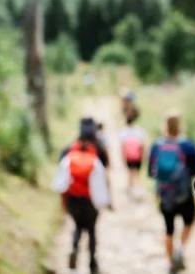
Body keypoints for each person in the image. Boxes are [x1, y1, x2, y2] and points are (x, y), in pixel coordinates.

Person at [53, 117, 112, 274]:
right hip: (91, 198)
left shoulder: (69, 149)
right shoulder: (99, 149)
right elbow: (105, 173)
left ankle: (74, 248)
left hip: (73, 198)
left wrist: (63, 202)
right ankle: (92, 263)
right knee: (91, 229)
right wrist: (107, 199)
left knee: (78, 225)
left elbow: (61, 174)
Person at [148, 113, 195, 273]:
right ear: (180, 125)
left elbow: (151, 172)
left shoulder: (157, 146)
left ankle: (171, 263)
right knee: (189, 222)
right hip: (184, 194)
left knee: (168, 229)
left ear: (164, 126)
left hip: (165, 195)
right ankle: (180, 250)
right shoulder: (188, 145)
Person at [118, 95, 146, 198]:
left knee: (130, 173)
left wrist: (122, 158)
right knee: (137, 174)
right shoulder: (140, 131)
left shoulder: (123, 132)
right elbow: (143, 146)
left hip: (128, 157)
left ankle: (129, 190)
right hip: (138, 157)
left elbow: (122, 147)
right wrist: (144, 156)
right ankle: (139, 191)